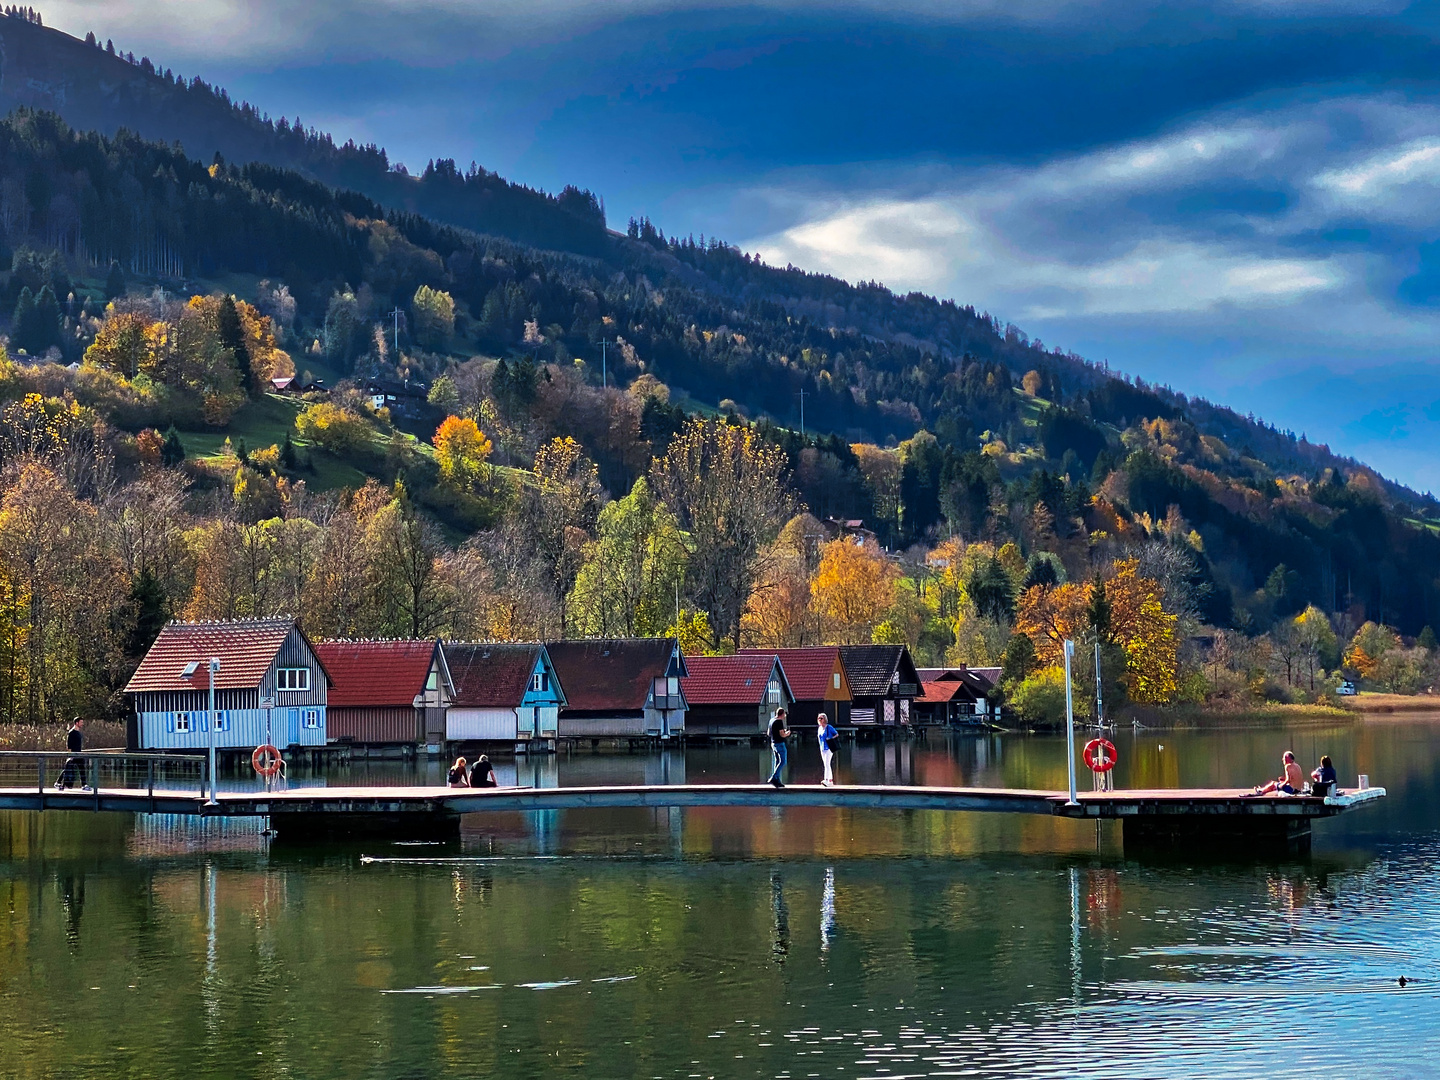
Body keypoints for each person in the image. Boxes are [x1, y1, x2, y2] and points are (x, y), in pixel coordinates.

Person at [55, 718, 86, 791]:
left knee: (82, 768)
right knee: (68, 769)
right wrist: (70, 756)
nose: (82, 724)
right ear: (76, 723)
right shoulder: (71, 732)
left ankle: (84, 785)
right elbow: (68, 745)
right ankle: (58, 782)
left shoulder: (78, 732)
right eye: (81, 722)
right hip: (73, 755)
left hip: (78, 754)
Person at [767, 708, 790, 788]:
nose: (785, 716)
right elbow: (782, 735)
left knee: (777, 762)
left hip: (773, 743)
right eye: (784, 714)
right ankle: (774, 777)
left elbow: (768, 733)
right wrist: (787, 733)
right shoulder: (779, 722)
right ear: (782, 714)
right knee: (783, 761)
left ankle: (777, 780)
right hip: (780, 743)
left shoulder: (771, 720)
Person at [817, 712, 840, 787]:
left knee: (827, 764)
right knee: (826, 764)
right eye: (819, 718)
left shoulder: (829, 727)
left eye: (821, 718)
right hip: (822, 748)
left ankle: (826, 780)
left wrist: (831, 738)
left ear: (825, 719)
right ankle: (830, 780)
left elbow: (836, 734)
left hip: (829, 748)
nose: (819, 720)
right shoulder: (820, 728)